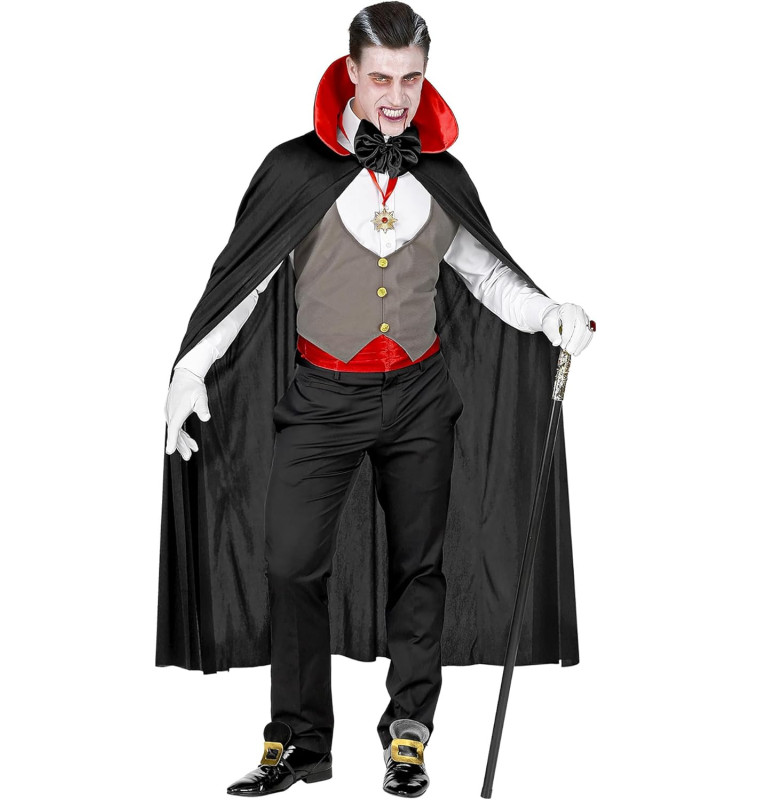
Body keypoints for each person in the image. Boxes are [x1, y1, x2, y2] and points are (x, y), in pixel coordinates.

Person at [158, 2, 594, 796]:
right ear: (352, 73)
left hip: (421, 395)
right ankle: (299, 743)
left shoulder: (443, 175)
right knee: (291, 564)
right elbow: (244, 281)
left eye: (411, 79)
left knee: (420, 568)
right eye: (382, 77)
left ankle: (409, 734)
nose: (396, 97)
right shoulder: (295, 169)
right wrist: (191, 369)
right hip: (323, 396)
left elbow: (485, 274)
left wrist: (547, 311)